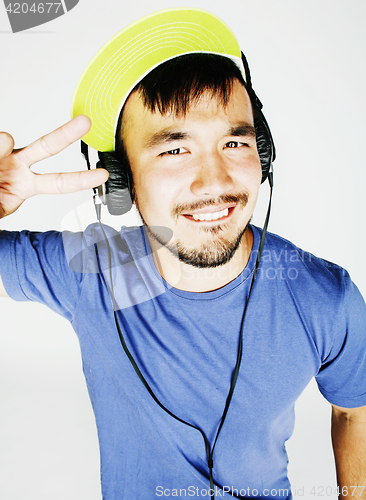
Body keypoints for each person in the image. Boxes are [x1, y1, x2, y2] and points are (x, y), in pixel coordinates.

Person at [0, 7, 365, 500]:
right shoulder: (92, 271)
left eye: (235, 141)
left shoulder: (325, 296)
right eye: (174, 150)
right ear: (121, 179)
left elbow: (353, 409)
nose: (214, 182)